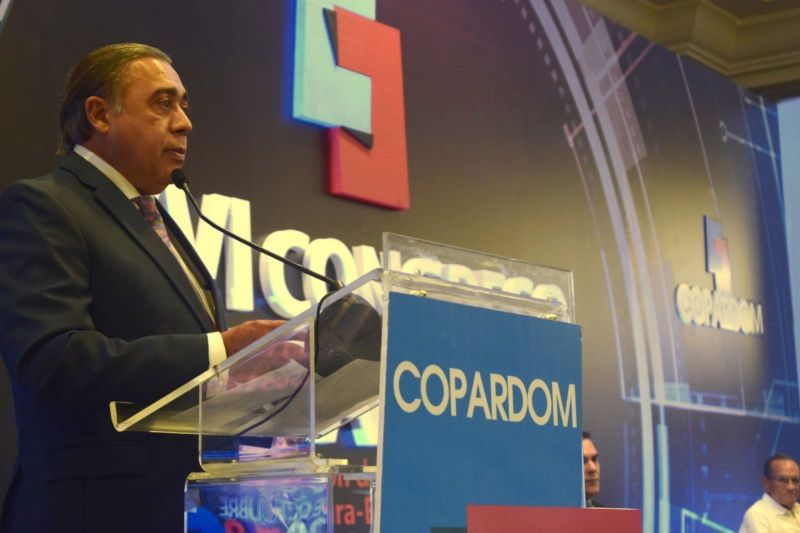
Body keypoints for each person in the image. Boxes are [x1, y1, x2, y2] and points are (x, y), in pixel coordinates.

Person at [0, 43, 286, 533]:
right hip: (90, 513)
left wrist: (244, 378)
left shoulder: (158, 219)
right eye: (163, 103)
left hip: (181, 509)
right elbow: (51, 362)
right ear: (99, 114)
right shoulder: (44, 206)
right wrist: (221, 349)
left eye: (184, 105)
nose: (185, 123)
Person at [739, 453, 800, 532]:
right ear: (766, 484)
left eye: (795, 480)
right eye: (783, 480)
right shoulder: (757, 515)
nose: (791, 487)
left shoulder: (797, 509)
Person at [583, 430, 604, 507]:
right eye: (583, 461)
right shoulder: (553, 512)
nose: (593, 468)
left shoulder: (605, 512)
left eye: (594, 459)